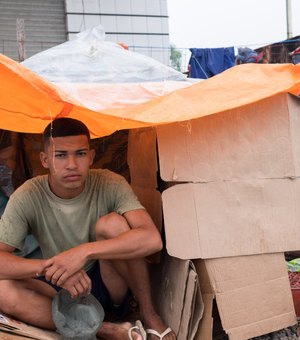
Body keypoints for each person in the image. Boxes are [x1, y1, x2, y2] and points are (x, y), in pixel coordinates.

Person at [0, 118, 176, 340]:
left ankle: (149, 314)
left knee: (111, 224)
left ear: (91, 156)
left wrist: (84, 252)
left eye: (80, 154)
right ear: (45, 159)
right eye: (60, 155)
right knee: (2, 291)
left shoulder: (109, 182)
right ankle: (104, 329)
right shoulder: (28, 195)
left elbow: (151, 239)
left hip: (107, 284)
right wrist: (49, 268)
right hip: (61, 290)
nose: (72, 164)